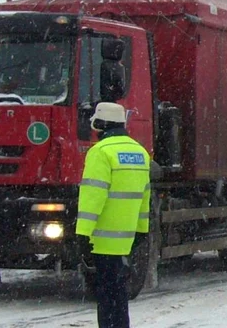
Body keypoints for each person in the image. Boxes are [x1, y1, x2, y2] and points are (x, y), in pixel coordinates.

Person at [75, 102, 151, 328]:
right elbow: (144, 197)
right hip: (125, 239)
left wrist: (82, 235)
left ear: (99, 125)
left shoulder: (100, 152)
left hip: (102, 241)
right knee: (119, 295)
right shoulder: (140, 152)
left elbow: (93, 197)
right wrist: (141, 231)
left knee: (106, 297)